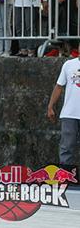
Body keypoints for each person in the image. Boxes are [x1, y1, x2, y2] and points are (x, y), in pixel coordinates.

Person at [47, 54, 80, 182]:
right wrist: (50, 106)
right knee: (67, 147)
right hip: (69, 114)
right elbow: (59, 86)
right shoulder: (68, 65)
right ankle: (65, 178)